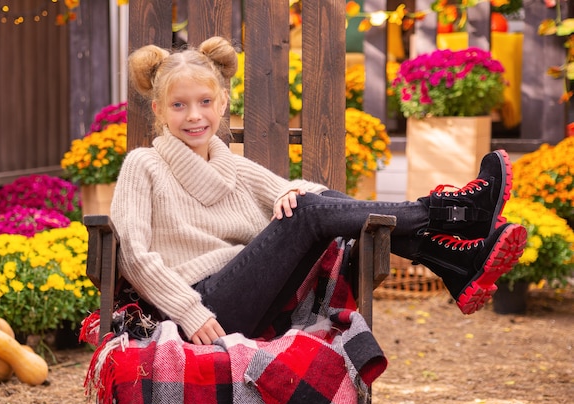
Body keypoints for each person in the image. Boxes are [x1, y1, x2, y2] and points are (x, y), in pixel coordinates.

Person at [111, 36, 527, 346]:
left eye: (204, 101)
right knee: (309, 211)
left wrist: (283, 194)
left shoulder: (230, 165)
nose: (194, 115)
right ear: (159, 110)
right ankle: (451, 220)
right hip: (199, 308)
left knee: (309, 201)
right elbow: (132, 254)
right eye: (179, 105)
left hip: (247, 297)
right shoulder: (143, 165)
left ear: (222, 104)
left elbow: (311, 193)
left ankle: (451, 254)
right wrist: (189, 311)